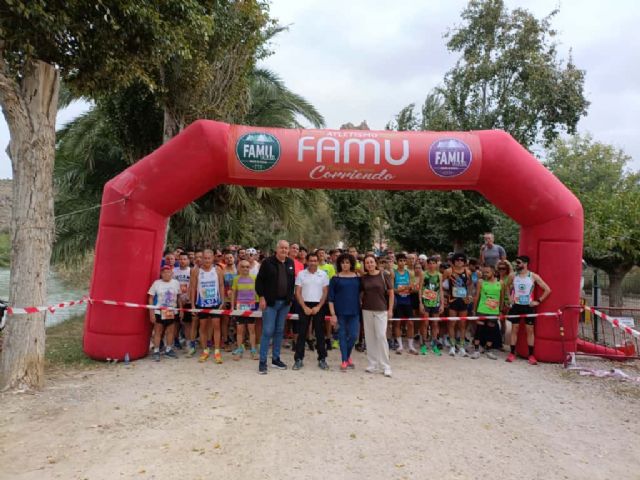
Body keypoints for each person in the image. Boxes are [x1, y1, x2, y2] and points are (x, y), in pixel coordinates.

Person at [255, 240, 296, 374]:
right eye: (282, 248)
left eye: (286, 248)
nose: (284, 250)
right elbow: (259, 281)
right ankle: (262, 362)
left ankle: (276, 359)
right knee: (267, 331)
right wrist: (261, 297)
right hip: (270, 303)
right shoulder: (267, 262)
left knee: (279, 331)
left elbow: (292, 282)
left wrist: (290, 298)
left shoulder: (290, 263)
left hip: (284, 304)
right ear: (277, 249)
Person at [504, 255, 551, 365]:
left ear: (525, 264)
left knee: (529, 330)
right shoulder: (512, 275)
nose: (516, 265)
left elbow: (547, 289)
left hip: (528, 307)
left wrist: (538, 301)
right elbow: (506, 286)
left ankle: (531, 355)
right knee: (514, 329)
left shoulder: (533, 276)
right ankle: (512, 353)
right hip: (516, 306)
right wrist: (509, 298)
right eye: (516, 262)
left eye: (519, 263)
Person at [293, 253, 330, 370]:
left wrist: (318, 306)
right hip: (304, 305)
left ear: (318, 262)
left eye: (315, 260)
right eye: (311, 260)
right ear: (307, 261)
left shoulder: (323, 274)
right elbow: (297, 292)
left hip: (319, 305)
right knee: (302, 333)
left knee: (320, 333)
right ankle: (298, 359)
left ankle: (322, 359)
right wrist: (304, 307)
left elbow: (325, 292)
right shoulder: (301, 274)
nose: (313, 263)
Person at [361, 254, 394, 377]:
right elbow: (361, 293)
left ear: (375, 263)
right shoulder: (363, 278)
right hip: (367, 309)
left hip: (381, 309)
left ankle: (385, 365)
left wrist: (390, 309)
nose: (369, 264)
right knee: (369, 337)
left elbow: (391, 293)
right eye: (367, 262)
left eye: (371, 262)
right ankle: (372, 364)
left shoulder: (384, 275)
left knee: (381, 336)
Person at [189, 249, 224, 364]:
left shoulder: (218, 270)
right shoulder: (196, 271)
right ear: (202, 258)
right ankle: (205, 350)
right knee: (203, 327)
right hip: (201, 303)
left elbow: (221, 285)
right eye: (205, 258)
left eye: (209, 258)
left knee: (216, 326)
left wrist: (222, 301)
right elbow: (193, 288)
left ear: (213, 258)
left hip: (215, 303)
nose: (207, 260)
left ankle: (217, 351)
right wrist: (192, 304)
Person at [328, 253, 361, 371]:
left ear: (351, 264)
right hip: (340, 312)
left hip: (354, 311)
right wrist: (333, 314)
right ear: (339, 264)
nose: (345, 265)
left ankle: (347, 356)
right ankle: (344, 361)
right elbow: (330, 298)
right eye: (342, 262)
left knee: (353, 336)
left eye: (347, 262)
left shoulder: (357, 277)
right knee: (342, 336)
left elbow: (362, 292)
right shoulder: (335, 278)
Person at [147, 265, 181, 361]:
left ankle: (168, 350)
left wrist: (181, 310)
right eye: (164, 272)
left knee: (170, 331)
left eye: (168, 272)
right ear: (161, 274)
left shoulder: (176, 283)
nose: (166, 274)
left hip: (172, 311)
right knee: (158, 331)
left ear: (172, 273)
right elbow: (150, 298)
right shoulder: (157, 283)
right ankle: (156, 351)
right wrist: (151, 312)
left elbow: (178, 297)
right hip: (159, 311)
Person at [471, 265, 504, 360]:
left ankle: (489, 350)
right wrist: (474, 310)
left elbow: (501, 298)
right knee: (479, 330)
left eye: (487, 272)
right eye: (484, 272)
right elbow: (476, 296)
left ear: (493, 272)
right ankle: (476, 350)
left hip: (494, 311)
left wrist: (500, 310)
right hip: (482, 309)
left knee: (491, 330)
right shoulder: (481, 282)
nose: (485, 274)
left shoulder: (500, 283)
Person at [231, 260, 259, 360]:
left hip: (252, 306)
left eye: (247, 267)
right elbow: (234, 292)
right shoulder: (236, 279)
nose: (245, 269)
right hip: (240, 306)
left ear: (249, 268)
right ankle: (239, 350)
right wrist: (232, 306)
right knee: (240, 330)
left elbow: (258, 292)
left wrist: (258, 305)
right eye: (243, 267)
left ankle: (253, 350)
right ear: (239, 268)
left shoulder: (254, 277)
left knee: (251, 329)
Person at [446, 253, 472, 357]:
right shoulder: (449, 271)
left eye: (462, 260)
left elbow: (470, 285)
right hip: (452, 300)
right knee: (452, 324)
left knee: (462, 324)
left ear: (464, 262)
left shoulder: (468, 272)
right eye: (457, 260)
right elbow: (441, 285)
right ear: (453, 261)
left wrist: (469, 296)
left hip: (463, 301)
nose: (459, 262)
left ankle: (461, 347)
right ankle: (452, 346)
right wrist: (446, 296)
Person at [418, 256, 444, 355]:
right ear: (427, 264)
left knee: (435, 324)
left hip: (435, 302)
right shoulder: (423, 274)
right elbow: (420, 289)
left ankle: (434, 345)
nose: (432, 265)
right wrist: (420, 303)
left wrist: (442, 304)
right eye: (430, 263)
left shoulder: (439, 275)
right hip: (426, 302)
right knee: (425, 323)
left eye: (434, 263)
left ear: (437, 264)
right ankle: (424, 344)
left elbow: (441, 290)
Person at [392, 253, 416, 354]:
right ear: (397, 262)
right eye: (400, 261)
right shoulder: (393, 273)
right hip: (398, 301)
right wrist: (400, 290)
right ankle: (400, 346)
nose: (402, 263)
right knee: (397, 323)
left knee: (410, 323)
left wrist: (410, 288)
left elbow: (411, 287)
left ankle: (411, 346)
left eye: (404, 261)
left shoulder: (408, 273)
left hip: (407, 301)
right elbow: (391, 289)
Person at [173, 252, 192, 352]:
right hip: (175, 300)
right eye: (181, 259)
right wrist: (177, 299)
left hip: (188, 300)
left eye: (185, 259)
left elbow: (194, 286)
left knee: (188, 323)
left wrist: (188, 297)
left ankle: (188, 342)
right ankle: (175, 341)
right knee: (175, 323)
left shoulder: (191, 271)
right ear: (178, 260)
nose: (182, 261)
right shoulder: (174, 271)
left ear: (188, 260)